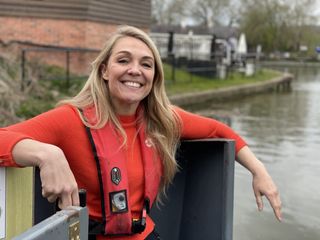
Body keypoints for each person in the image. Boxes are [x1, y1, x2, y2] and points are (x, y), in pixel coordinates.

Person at [0, 25, 282, 239]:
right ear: (104, 71)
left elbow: (219, 130)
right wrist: (46, 153)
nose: (135, 70)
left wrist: (260, 171)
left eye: (146, 64)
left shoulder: (163, 119)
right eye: (123, 61)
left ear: (154, 78)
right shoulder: (70, 120)